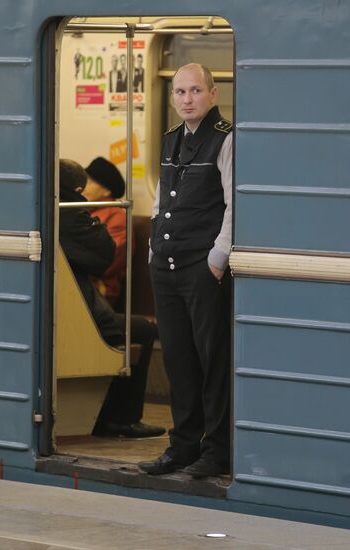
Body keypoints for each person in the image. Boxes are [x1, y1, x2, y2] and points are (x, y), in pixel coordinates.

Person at [138, 64, 233, 478]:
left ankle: (216, 450)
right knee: (178, 359)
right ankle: (183, 446)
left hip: (202, 267)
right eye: (179, 92)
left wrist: (217, 259)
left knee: (212, 360)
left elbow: (235, 204)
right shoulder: (170, 140)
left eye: (195, 90)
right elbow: (161, 200)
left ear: (213, 94)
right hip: (167, 264)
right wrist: (152, 247)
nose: (187, 98)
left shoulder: (226, 139)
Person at [59, 159, 165, 439]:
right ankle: (122, 418)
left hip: (100, 291)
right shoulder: (76, 215)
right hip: (82, 302)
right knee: (141, 330)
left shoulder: (112, 214)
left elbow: (111, 262)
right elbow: (99, 253)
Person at [83, 157, 127, 307]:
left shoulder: (117, 217)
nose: (84, 187)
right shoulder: (83, 211)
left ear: (107, 190)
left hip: (101, 288)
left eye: (90, 182)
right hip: (84, 282)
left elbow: (109, 260)